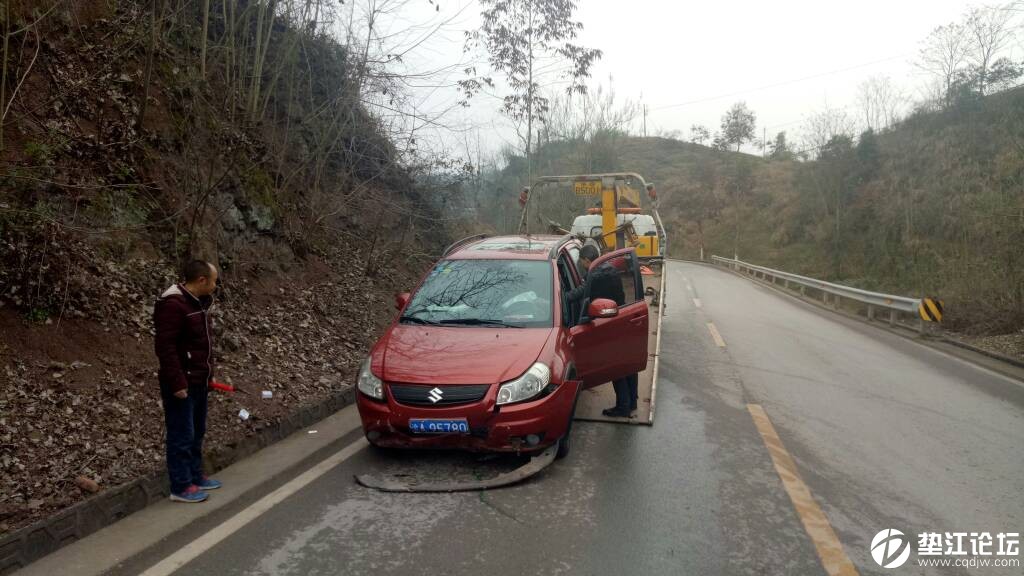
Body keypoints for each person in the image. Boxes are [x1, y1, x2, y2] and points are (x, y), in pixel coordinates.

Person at [154, 260, 223, 503]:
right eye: (214, 280)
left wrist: (208, 373)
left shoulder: (199, 303)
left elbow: (201, 344)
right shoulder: (173, 305)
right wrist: (177, 382)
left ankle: (195, 476)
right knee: (181, 434)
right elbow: (165, 347)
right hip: (181, 382)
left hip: (199, 379)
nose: (216, 285)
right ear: (202, 280)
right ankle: (180, 486)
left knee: (197, 431)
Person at [567, 245, 636, 417]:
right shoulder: (610, 268)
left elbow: (579, 293)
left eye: (581, 262)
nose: (581, 265)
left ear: (586, 260)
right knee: (627, 363)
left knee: (615, 365)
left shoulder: (597, 275)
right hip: (623, 317)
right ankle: (632, 401)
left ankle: (623, 407)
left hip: (609, 323)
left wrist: (560, 297)